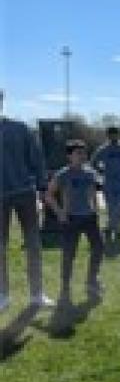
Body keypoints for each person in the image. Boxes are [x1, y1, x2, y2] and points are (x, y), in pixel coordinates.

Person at [0, 89, 55, 311]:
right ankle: (3, 294)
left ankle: (37, 294)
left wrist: (42, 188)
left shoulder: (19, 129)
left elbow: (37, 159)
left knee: (33, 244)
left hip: (24, 193)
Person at [45, 140, 104, 302]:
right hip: (71, 219)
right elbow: (48, 196)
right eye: (78, 153)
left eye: (84, 153)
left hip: (90, 218)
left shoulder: (90, 173)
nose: (82, 156)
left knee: (98, 248)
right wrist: (60, 213)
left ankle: (92, 281)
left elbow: (93, 193)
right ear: (69, 156)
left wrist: (96, 210)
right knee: (69, 254)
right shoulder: (62, 174)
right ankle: (65, 287)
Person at [91, 126, 120, 244]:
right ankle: (116, 231)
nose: (113, 137)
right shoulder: (103, 149)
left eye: (115, 134)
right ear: (108, 136)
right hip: (109, 183)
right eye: (111, 134)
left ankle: (109, 228)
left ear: (119, 135)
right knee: (111, 209)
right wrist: (102, 171)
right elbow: (93, 162)